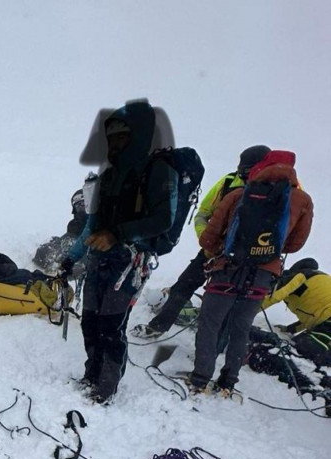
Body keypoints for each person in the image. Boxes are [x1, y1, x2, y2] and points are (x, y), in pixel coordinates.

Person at [60, 101, 178, 404]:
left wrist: (117, 234)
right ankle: (92, 374)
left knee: (111, 326)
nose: (114, 142)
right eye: (110, 136)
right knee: (90, 322)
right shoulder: (111, 173)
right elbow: (92, 224)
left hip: (129, 262)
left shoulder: (158, 170)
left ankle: (106, 387)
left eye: (122, 135)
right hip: (100, 261)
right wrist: (72, 257)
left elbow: (163, 219)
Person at [187, 150, 313, 394]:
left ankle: (200, 378)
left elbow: (209, 237)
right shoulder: (302, 201)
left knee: (211, 323)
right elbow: (296, 244)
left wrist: (220, 251)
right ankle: (228, 382)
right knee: (241, 327)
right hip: (263, 275)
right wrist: (268, 252)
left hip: (228, 268)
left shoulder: (240, 194)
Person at [132, 145, 271, 338]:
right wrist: (208, 241)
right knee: (184, 285)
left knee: (228, 301)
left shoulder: (284, 190)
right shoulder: (229, 181)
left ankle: (218, 346)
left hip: (249, 260)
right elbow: (203, 214)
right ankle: (159, 326)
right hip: (214, 251)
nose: (244, 175)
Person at [260, 257, 331, 367]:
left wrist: (246, 312)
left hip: (327, 322)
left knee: (305, 347)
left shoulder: (301, 275)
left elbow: (275, 296)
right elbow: (313, 316)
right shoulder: (320, 280)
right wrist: (290, 329)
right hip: (325, 322)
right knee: (304, 344)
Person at [33, 187, 87, 277]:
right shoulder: (73, 227)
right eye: (78, 205)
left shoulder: (97, 224)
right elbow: (63, 242)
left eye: (84, 204)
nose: (81, 208)